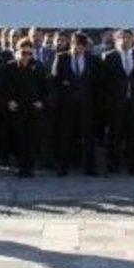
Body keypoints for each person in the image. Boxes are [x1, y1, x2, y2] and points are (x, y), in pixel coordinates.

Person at [51, 32, 99, 176]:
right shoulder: (61, 57)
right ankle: (63, 167)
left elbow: (97, 82)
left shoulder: (92, 60)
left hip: (86, 105)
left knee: (88, 137)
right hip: (66, 105)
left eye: (80, 45)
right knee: (65, 135)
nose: (76, 48)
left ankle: (90, 168)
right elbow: (54, 81)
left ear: (85, 47)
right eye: (74, 44)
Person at [100, 29, 134, 175]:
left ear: (133, 40)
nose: (124, 40)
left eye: (127, 37)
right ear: (115, 40)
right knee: (114, 135)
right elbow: (102, 83)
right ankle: (112, 165)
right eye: (121, 38)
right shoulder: (108, 57)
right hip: (115, 104)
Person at [0, 38, 47, 178]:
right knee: (18, 138)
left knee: (32, 139)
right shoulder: (10, 66)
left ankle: (30, 168)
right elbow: (3, 87)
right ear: (18, 51)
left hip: (33, 108)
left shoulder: (38, 66)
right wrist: (8, 101)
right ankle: (21, 167)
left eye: (29, 53)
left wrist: (42, 101)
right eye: (23, 53)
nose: (26, 56)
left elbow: (45, 87)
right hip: (17, 108)